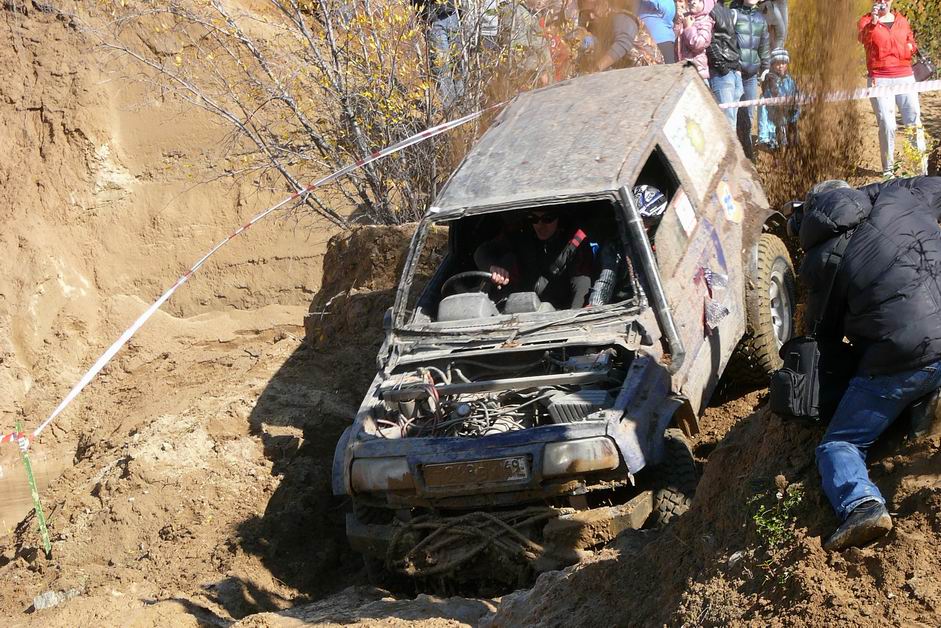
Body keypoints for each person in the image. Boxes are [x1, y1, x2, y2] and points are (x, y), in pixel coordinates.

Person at [792, 176, 941, 551]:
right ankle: (927, 401)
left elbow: (820, 338)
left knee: (838, 444)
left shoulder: (822, 260)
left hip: (906, 357)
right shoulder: (900, 196)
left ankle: (862, 505)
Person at [858, 1, 927, 177]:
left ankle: (921, 171)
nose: (883, 1)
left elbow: (911, 41)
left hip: (905, 76)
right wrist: (873, 22)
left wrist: (910, 47)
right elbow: (863, 39)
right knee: (888, 124)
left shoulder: (901, 20)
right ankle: (888, 171)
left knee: (914, 122)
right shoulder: (866, 20)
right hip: (880, 79)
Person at [475, 210, 593, 310]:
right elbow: (481, 252)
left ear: (559, 218)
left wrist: (574, 317)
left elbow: (582, 283)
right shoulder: (520, 232)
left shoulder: (575, 239)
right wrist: (492, 267)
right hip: (520, 307)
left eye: (548, 219)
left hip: (558, 312)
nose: (540, 225)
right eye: (533, 219)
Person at [577, 0, 663, 72]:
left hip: (648, 72)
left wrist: (596, 69)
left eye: (595, 8)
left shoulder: (621, 16)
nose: (591, 16)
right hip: (627, 74)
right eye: (586, 13)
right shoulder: (594, 25)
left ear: (604, 2)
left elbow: (623, 43)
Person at [731, 0, 770, 160]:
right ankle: (732, 155)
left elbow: (764, 45)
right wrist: (734, 66)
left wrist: (766, 68)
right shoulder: (733, 14)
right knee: (732, 116)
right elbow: (727, 41)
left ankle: (747, 157)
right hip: (734, 73)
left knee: (748, 117)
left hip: (751, 76)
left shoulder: (761, 19)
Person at [705, 0, 742, 128]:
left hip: (734, 70)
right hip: (722, 73)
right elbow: (709, 42)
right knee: (727, 122)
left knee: (732, 121)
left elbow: (734, 40)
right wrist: (722, 67)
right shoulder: (708, 11)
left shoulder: (728, 11)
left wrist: (738, 68)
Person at [757, 47, 799, 150]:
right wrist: (774, 88)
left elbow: (796, 95)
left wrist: (794, 108)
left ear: (787, 64)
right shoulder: (769, 78)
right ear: (772, 65)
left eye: (783, 63)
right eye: (777, 63)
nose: (780, 66)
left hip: (787, 115)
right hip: (773, 117)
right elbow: (770, 96)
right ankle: (766, 139)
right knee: (763, 101)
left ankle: (791, 136)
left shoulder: (790, 80)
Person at [674, 0, 715, 81]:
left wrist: (688, 27)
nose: (693, 2)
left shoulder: (705, 21)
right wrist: (678, 22)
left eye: (699, 0)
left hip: (697, 74)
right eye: (690, 0)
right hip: (680, 71)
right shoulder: (686, 18)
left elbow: (698, 44)